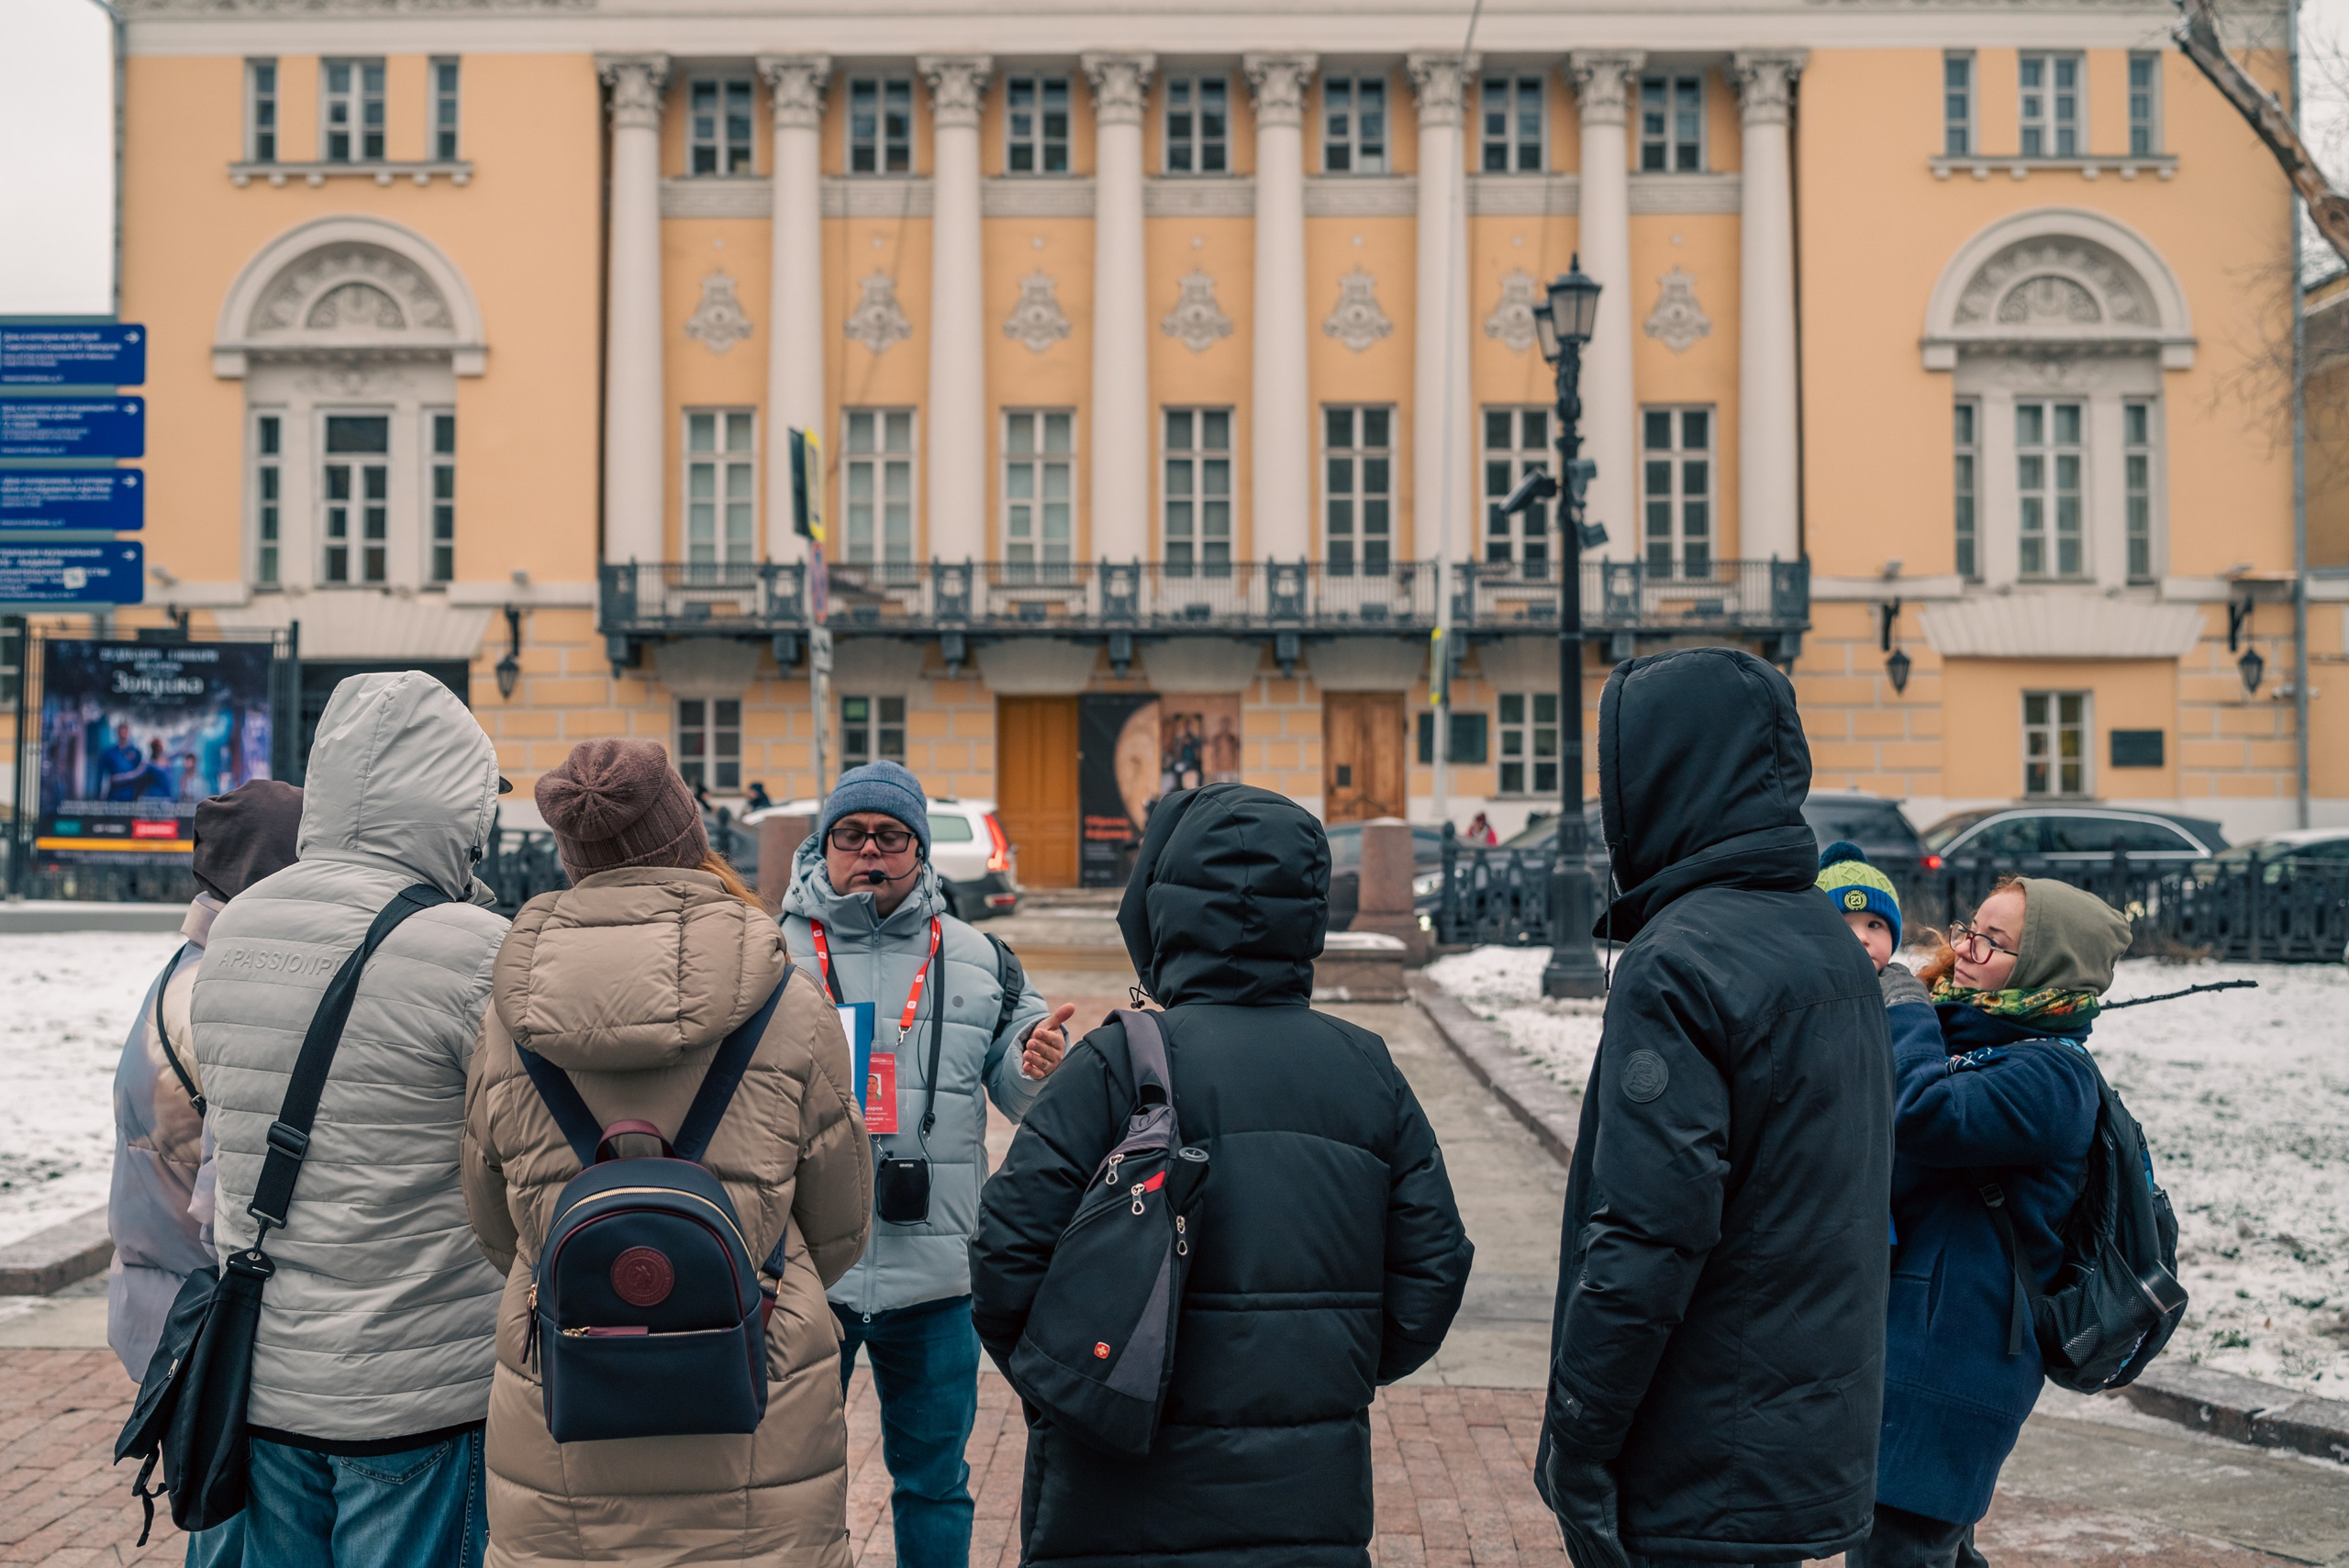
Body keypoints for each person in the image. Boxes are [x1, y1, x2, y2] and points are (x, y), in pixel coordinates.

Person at [969, 783, 1473, 1565]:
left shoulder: (1114, 1063)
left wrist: (1081, 1385)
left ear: (1162, 903)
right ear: (1308, 909)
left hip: (1115, 1495)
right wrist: (1326, 1364)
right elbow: (1433, 1269)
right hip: (1308, 1498)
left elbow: (1003, 1258)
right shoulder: (1367, 1069)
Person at [462, 739, 873, 1565]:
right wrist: (722, 1279)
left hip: (569, 1384)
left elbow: (489, 1216)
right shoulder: (784, 997)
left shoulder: (512, 1012)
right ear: (690, 835)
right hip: (756, 1389)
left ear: (570, 854)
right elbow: (839, 1221)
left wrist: (600, 1275)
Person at [1535, 647, 1894, 1568]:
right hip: (1801, 1437)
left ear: (1658, 775)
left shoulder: (1681, 959)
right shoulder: (1825, 939)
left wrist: (1577, 1433)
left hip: (1698, 1451)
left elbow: (1649, 1233)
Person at [192, 673, 511, 1568]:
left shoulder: (241, 923)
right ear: (454, 805)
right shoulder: (471, 947)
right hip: (414, 1387)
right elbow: (517, 1144)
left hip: (263, 1379)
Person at [777, 758, 1068, 1568]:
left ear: (919, 849)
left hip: (937, 1279)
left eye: (891, 835)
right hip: (804, 1276)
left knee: (935, 1482)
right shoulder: (767, 956)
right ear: (824, 844)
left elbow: (1024, 1097)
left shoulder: (982, 959)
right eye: (852, 834)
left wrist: (1042, 1063)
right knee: (790, 1485)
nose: (870, 850)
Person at [1857, 875, 2133, 1568]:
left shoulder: (2051, 1077)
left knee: (1901, 1548)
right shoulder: (1981, 1036)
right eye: (1970, 928)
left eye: (1995, 940)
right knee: (1924, 1549)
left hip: (1959, 1357)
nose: (1967, 948)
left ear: (2048, 965)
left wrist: (1908, 1007)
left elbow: (1925, 1112)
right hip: (1922, 1340)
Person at [106, 778, 303, 1568]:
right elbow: (230, 1196)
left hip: (165, 1300)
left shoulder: (184, 968)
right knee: (234, 1533)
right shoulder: (223, 994)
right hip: (211, 1324)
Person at [1818, 840, 1904, 973]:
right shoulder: (1804, 990)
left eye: (1874, 925)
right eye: (1843, 926)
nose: (1861, 938)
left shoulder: (1904, 988)